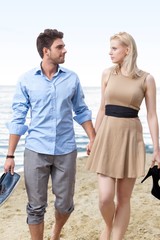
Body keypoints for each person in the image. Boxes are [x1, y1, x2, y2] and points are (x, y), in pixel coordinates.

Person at [4, 29, 96, 240]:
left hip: (66, 150)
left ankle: (55, 234)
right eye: (60, 47)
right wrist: (10, 155)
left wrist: (93, 137)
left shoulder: (72, 78)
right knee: (35, 206)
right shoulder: (26, 80)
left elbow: (81, 110)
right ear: (46, 51)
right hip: (36, 150)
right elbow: (18, 118)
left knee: (65, 203)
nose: (65, 50)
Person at [86, 32, 160, 240]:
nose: (109, 52)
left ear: (127, 50)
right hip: (107, 137)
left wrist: (156, 148)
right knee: (105, 198)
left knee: (124, 198)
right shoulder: (107, 74)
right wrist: (93, 137)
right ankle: (108, 226)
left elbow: (152, 115)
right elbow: (102, 108)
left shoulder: (147, 79)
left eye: (114, 48)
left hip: (130, 138)